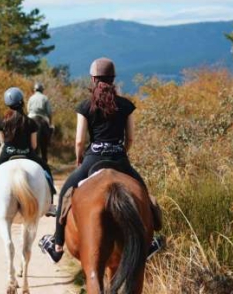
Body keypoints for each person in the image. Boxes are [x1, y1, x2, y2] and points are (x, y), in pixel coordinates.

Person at [38, 57, 164, 262]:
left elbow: (80, 141)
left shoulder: (85, 106)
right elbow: (130, 137)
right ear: (113, 79)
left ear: (93, 79)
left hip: (92, 159)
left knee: (65, 194)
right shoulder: (126, 105)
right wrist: (122, 151)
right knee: (143, 192)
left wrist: (80, 159)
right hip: (119, 159)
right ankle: (149, 241)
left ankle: (58, 244)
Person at [0, 87, 56, 220]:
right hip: (28, 154)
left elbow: (2, 142)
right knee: (47, 170)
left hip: (7, 154)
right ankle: (51, 206)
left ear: (7, 104)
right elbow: (34, 145)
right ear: (22, 102)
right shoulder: (31, 122)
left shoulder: (2, 122)